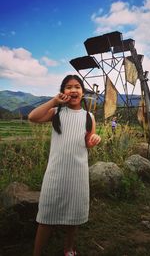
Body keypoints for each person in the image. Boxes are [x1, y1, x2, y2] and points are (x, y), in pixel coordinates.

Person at [28, 75, 101, 256]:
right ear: (63, 92)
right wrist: (54, 101)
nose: (73, 90)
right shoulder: (56, 113)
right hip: (55, 173)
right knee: (46, 216)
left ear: (82, 92)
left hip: (78, 173)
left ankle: (68, 249)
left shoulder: (89, 117)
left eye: (77, 86)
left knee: (74, 215)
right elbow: (32, 117)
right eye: (68, 87)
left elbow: (87, 143)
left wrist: (92, 142)